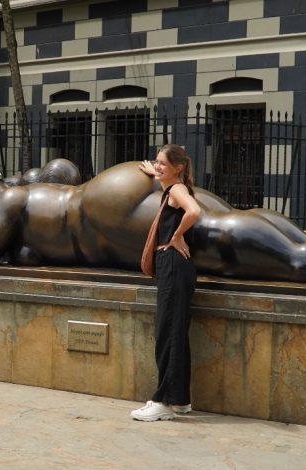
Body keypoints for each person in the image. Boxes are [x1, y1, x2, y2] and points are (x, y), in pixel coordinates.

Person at [0, 159, 306, 287]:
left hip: (102, 210)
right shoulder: (30, 199)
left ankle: (301, 259)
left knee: (207, 239)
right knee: (218, 220)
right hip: (109, 193)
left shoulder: (13, 199)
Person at [129, 144, 201, 422]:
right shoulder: (172, 188)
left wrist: (176, 236)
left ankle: (162, 402)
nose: (157, 166)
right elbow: (174, 197)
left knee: (167, 334)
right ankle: (180, 400)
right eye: (155, 162)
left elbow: (193, 211)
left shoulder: (177, 190)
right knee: (176, 333)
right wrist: (154, 173)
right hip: (177, 268)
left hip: (173, 264)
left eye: (162, 163)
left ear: (178, 168)